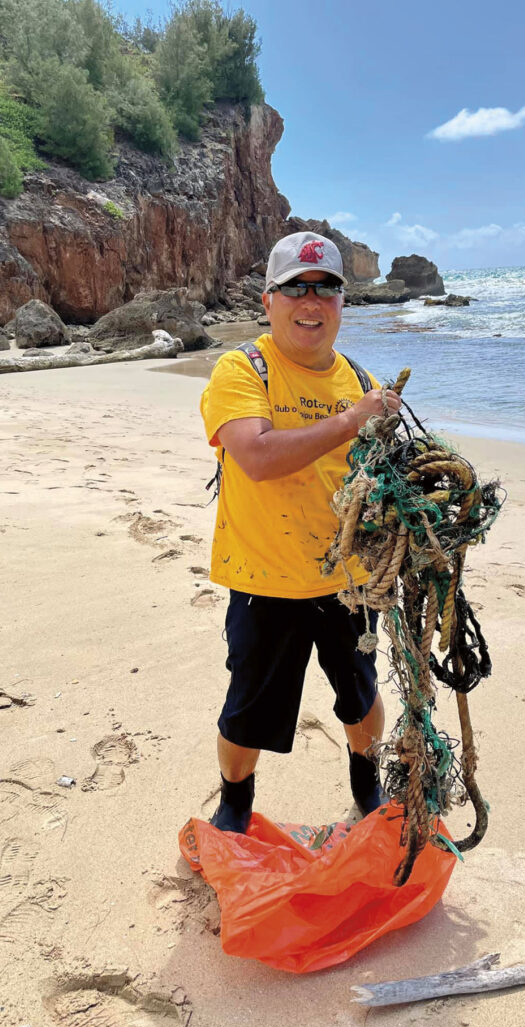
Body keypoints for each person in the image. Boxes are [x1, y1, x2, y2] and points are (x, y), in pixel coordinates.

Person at [200, 231, 402, 833]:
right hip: (265, 577)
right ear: (269, 300)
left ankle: (367, 784)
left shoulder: (361, 381)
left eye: (326, 289)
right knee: (248, 711)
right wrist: (352, 420)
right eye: (296, 289)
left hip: (350, 581)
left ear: (341, 303)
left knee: (361, 697)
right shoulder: (242, 370)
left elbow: (379, 482)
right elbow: (257, 458)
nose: (311, 302)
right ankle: (235, 802)